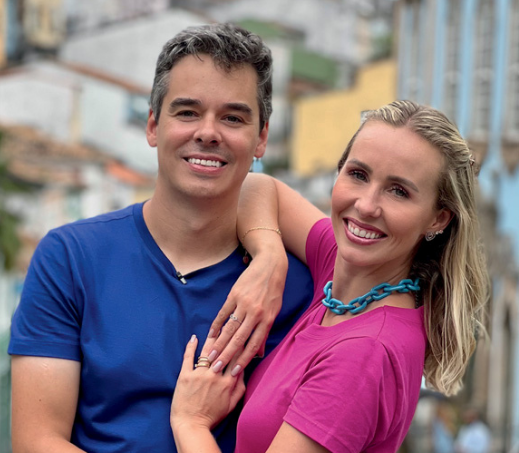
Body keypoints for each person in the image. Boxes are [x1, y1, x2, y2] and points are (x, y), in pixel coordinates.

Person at [8, 23, 314, 453]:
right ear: (153, 126)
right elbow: (37, 441)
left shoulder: (297, 288)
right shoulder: (71, 259)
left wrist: (269, 254)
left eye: (233, 117)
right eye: (187, 112)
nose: (208, 132)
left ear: (261, 137)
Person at [170, 100, 489, 452]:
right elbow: (258, 188)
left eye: (399, 191)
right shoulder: (342, 270)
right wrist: (269, 255)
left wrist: (191, 421)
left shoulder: (364, 353)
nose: (367, 205)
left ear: (438, 219)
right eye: (358, 174)